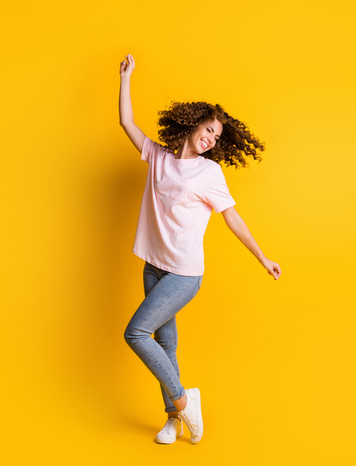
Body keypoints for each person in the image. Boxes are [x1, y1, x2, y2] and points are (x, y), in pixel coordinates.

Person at [118, 53, 281, 445]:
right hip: (153, 266)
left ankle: (183, 399)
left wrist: (262, 256)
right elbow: (126, 122)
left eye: (216, 137)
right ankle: (174, 420)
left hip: (184, 273)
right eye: (208, 130)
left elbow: (232, 218)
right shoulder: (159, 156)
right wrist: (126, 78)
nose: (210, 139)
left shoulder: (209, 172)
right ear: (192, 125)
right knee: (166, 344)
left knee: (137, 333)